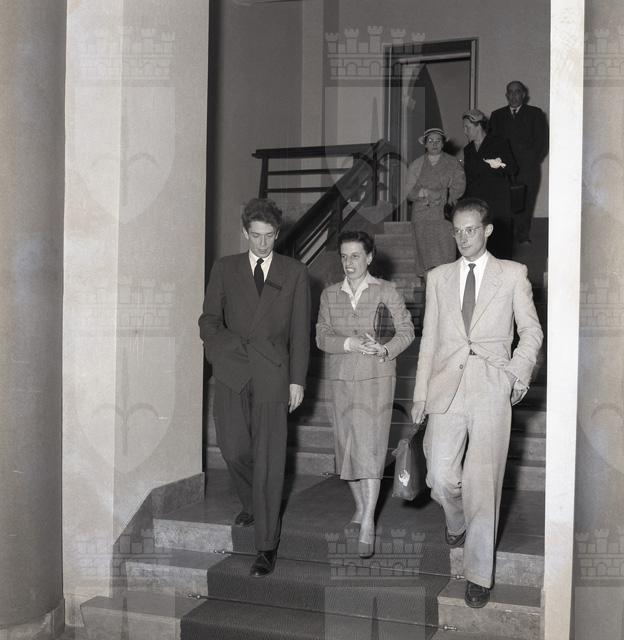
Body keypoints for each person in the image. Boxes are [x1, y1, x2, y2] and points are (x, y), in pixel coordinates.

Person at [411, 198, 542, 608]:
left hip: (490, 385)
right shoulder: (438, 277)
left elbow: (532, 331)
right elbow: (429, 341)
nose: (463, 237)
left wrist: (516, 373)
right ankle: (456, 521)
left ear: (487, 230)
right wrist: (419, 395)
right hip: (446, 386)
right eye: (457, 231)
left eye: (470, 230)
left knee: (483, 484)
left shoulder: (513, 274)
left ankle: (478, 574)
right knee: (440, 476)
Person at [198, 198, 311, 577]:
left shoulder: (294, 272)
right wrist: (224, 352)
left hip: (273, 375)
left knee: (269, 461)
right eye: (256, 236)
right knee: (233, 450)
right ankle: (251, 502)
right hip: (231, 371)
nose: (263, 244)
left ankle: (266, 544)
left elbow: (300, 332)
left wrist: (297, 380)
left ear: (278, 234)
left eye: (269, 236)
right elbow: (208, 321)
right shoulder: (225, 268)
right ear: (245, 232)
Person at [316, 230, 414, 558]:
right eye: (344, 257)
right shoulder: (329, 294)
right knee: (346, 449)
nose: (349, 263)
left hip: (377, 380)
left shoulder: (386, 290)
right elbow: (321, 336)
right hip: (340, 380)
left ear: (369, 257)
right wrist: (349, 343)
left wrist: (385, 349)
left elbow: (406, 331)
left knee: (370, 450)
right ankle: (359, 506)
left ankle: (368, 520)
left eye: (355, 256)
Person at [489, 81, 548, 244]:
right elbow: (491, 142)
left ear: (524, 94)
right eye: (510, 92)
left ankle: (522, 236)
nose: (514, 95)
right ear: (506, 95)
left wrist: (531, 161)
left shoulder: (535, 113)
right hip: (504, 169)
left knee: (526, 202)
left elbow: (542, 142)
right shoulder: (497, 115)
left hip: (528, 169)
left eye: (517, 92)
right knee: (505, 202)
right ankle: (505, 237)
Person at [405, 127, 466, 277]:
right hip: (422, 217)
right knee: (426, 260)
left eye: (438, 140)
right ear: (425, 144)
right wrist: (424, 193)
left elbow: (459, 186)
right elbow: (409, 191)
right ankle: (429, 289)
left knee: (446, 256)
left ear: (443, 143)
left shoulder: (453, 163)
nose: (434, 144)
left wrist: (440, 195)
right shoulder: (416, 165)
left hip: (443, 215)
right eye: (430, 141)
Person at [462, 109, 517, 259]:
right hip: (478, 205)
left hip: (497, 202)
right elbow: (469, 179)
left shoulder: (499, 142)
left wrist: (499, 165)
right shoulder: (468, 150)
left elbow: (513, 168)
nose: (465, 131)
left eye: (467, 127)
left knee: (500, 245)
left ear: (479, 126)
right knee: (480, 245)